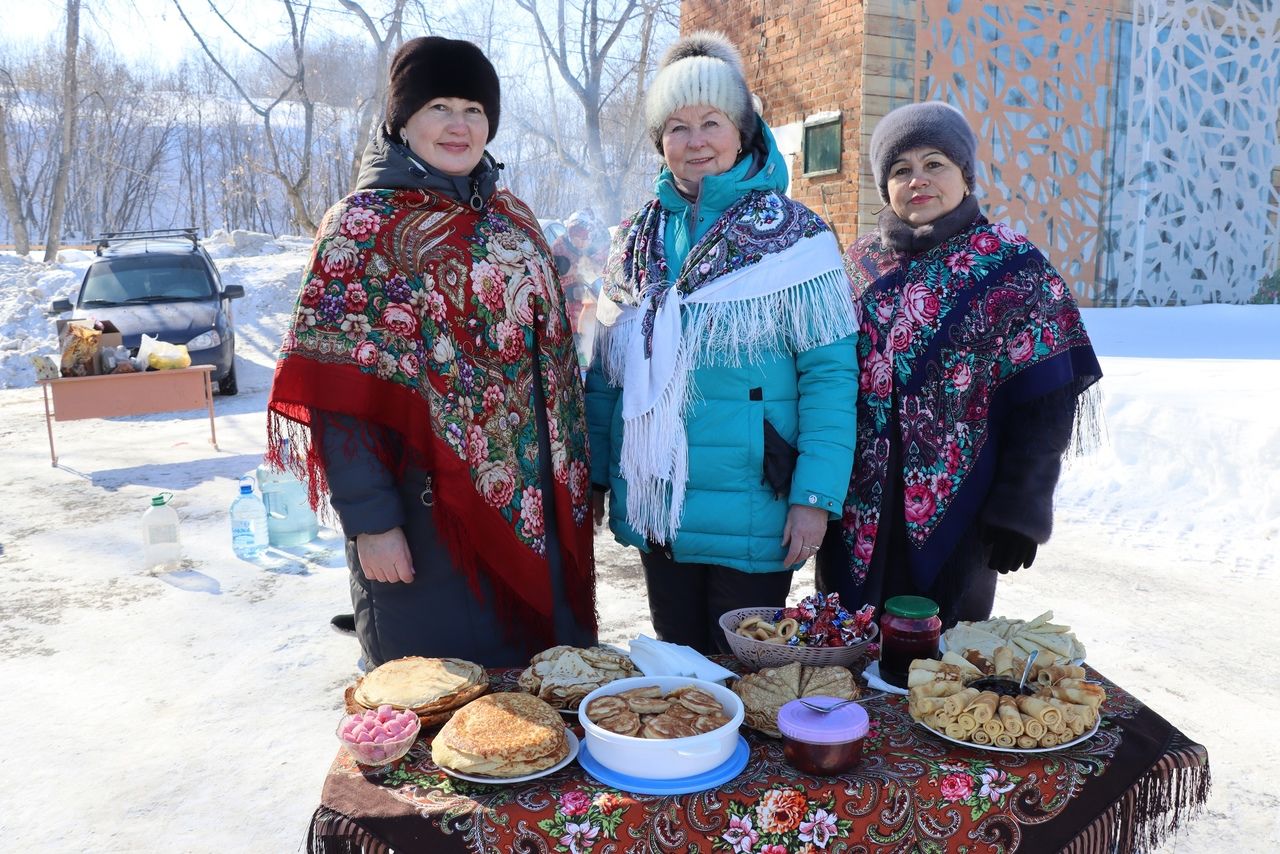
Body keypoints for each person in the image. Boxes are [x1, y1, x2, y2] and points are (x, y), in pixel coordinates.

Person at [266, 36, 597, 669]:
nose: (458, 124)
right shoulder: (361, 228)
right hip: (424, 520)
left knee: (543, 706)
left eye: (474, 109)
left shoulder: (514, 219)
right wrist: (371, 522)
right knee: (441, 715)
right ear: (402, 119)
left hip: (535, 514)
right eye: (438, 105)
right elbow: (342, 396)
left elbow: (550, 368)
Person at [585, 32, 860, 655]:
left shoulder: (796, 237)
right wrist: (600, 477)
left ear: (742, 130)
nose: (696, 140)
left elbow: (830, 377)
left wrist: (814, 497)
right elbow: (606, 374)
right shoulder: (632, 240)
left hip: (756, 505)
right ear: (660, 141)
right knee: (676, 673)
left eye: (711, 121)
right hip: (660, 506)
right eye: (677, 126)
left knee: (746, 674)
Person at [817, 101, 1103, 629]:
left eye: (935, 164)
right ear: (886, 187)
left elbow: (1045, 406)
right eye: (901, 170)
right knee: (848, 659)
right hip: (855, 516)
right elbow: (819, 381)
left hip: (964, 514)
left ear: (965, 175)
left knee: (942, 672)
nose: (918, 180)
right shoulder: (854, 268)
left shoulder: (1012, 265)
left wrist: (1022, 509)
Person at [551, 210, 609, 369]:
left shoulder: (582, 249)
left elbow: (593, 268)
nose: (582, 241)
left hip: (584, 311)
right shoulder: (559, 251)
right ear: (571, 233)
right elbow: (557, 280)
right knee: (574, 346)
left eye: (585, 237)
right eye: (579, 236)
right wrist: (574, 291)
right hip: (566, 311)